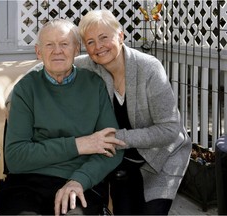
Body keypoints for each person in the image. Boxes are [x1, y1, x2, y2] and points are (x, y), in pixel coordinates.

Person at [73, 10, 192, 215]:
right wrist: (14, 97)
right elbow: (50, 65)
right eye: (90, 42)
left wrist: (115, 137)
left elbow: (170, 129)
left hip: (161, 157)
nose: (98, 47)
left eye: (104, 37)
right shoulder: (90, 66)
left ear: (120, 36)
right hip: (124, 160)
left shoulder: (149, 68)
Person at [4, 18, 125, 215]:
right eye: (49, 45)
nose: (57, 50)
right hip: (28, 183)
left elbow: (112, 148)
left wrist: (80, 180)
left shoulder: (94, 85)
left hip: (80, 181)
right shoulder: (26, 89)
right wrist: (79, 144)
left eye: (64, 44)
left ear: (77, 50)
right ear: (38, 52)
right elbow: (16, 157)